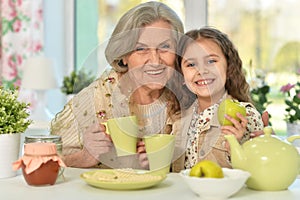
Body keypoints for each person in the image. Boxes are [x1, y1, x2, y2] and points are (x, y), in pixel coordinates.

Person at [50, 1, 186, 168]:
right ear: (123, 55)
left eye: (165, 47)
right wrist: (84, 157)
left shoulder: (188, 96)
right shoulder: (92, 100)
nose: (155, 60)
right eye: (141, 49)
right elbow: (47, 165)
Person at [171, 27, 264, 171]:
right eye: (191, 64)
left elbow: (258, 171)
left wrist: (235, 148)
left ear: (229, 67)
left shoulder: (246, 116)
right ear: (181, 75)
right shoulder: (178, 121)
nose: (201, 70)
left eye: (211, 61)